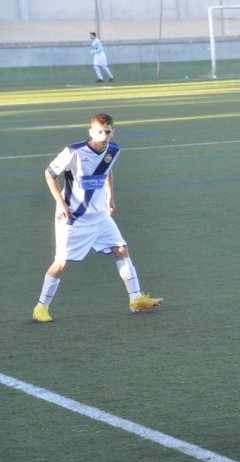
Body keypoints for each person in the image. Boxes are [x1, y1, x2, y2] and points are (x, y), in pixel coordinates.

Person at [32, 113, 162, 323]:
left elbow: (108, 170)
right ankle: (40, 307)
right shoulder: (74, 151)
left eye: (108, 132)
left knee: (121, 249)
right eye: (100, 132)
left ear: (113, 132)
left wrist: (110, 196)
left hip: (100, 216)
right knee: (61, 263)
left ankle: (136, 298)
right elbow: (49, 174)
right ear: (91, 132)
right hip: (74, 218)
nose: (104, 136)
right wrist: (60, 203)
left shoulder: (113, 150)